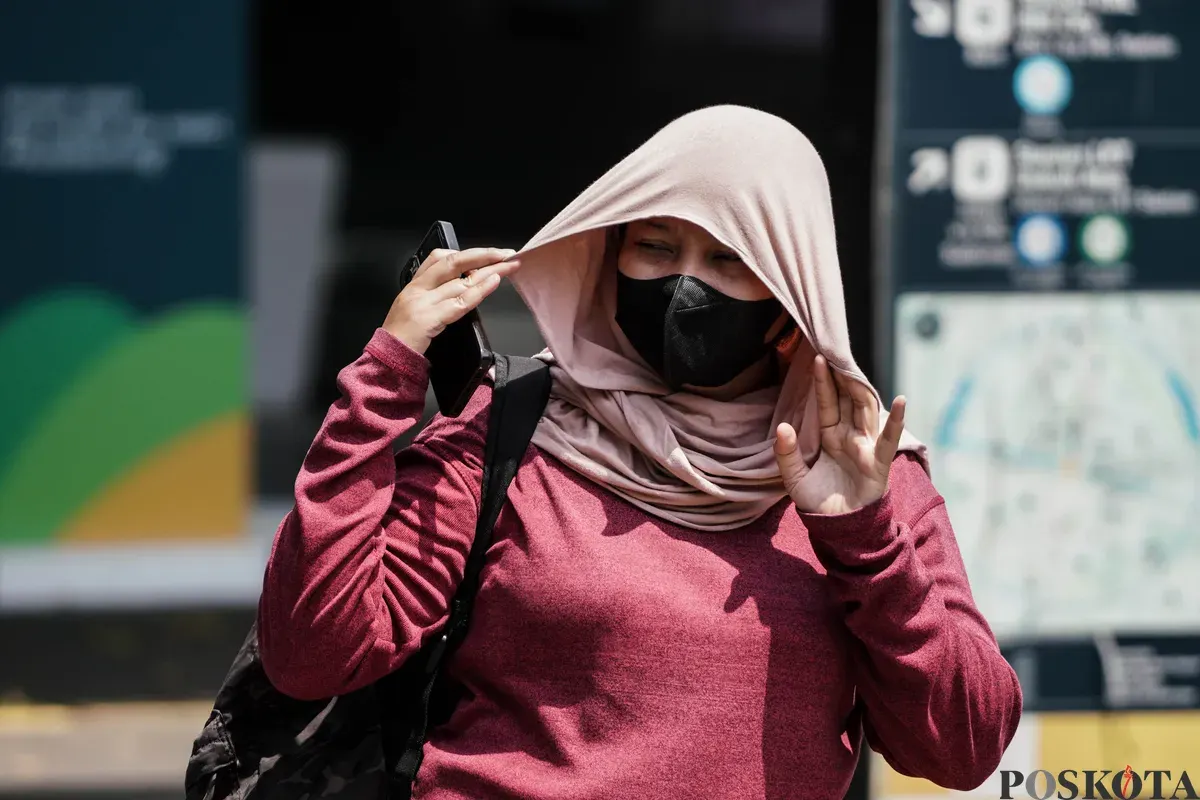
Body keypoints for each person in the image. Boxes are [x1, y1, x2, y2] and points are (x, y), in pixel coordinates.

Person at [258, 105, 1022, 799]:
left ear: (792, 303)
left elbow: (963, 752)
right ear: (607, 259)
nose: (686, 284)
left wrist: (865, 540)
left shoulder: (866, 471)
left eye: (730, 261)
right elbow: (314, 653)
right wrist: (386, 378)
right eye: (655, 246)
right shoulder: (511, 432)